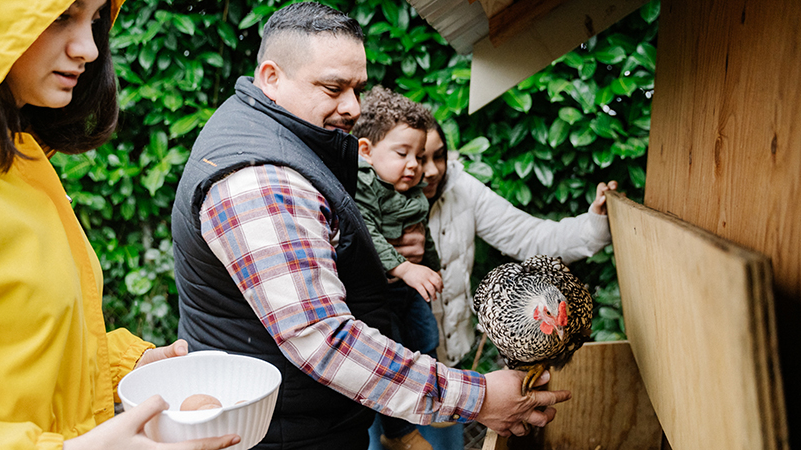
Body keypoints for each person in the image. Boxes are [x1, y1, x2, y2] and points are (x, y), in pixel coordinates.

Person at [172, 3, 570, 450]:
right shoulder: (260, 179)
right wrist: (475, 398)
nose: (352, 107)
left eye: (357, 88)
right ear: (271, 77)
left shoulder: (270, 133)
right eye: (332, 87)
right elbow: (323, 339)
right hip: (281, 434)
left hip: (299, 421)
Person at [0, 1, 240, 449]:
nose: (89, 49)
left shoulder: (14, 153)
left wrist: (126, 365)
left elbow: (11, 348)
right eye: (61, 16)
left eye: (95, 19)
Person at [386, 120, 616, 449]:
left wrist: (596, 223)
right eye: (421, 158)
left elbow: (530, 237)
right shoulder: (368, 202)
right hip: (387, 370)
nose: (433, 170)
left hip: (448, 368)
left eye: (439, 156)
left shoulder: (460, 189)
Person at [352, 86, 442, 450]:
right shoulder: (365, 183)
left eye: (418, 156)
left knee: (426, 341)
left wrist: (431, 267)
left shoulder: (412, 193)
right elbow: (366, 231)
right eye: (402, 153)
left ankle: (431, 401)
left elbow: (425, 235)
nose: (415, 165)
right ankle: (399, 432)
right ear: (366, 151)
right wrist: (405, 268)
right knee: (395, 354)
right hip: (380, 293)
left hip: (408, 290)